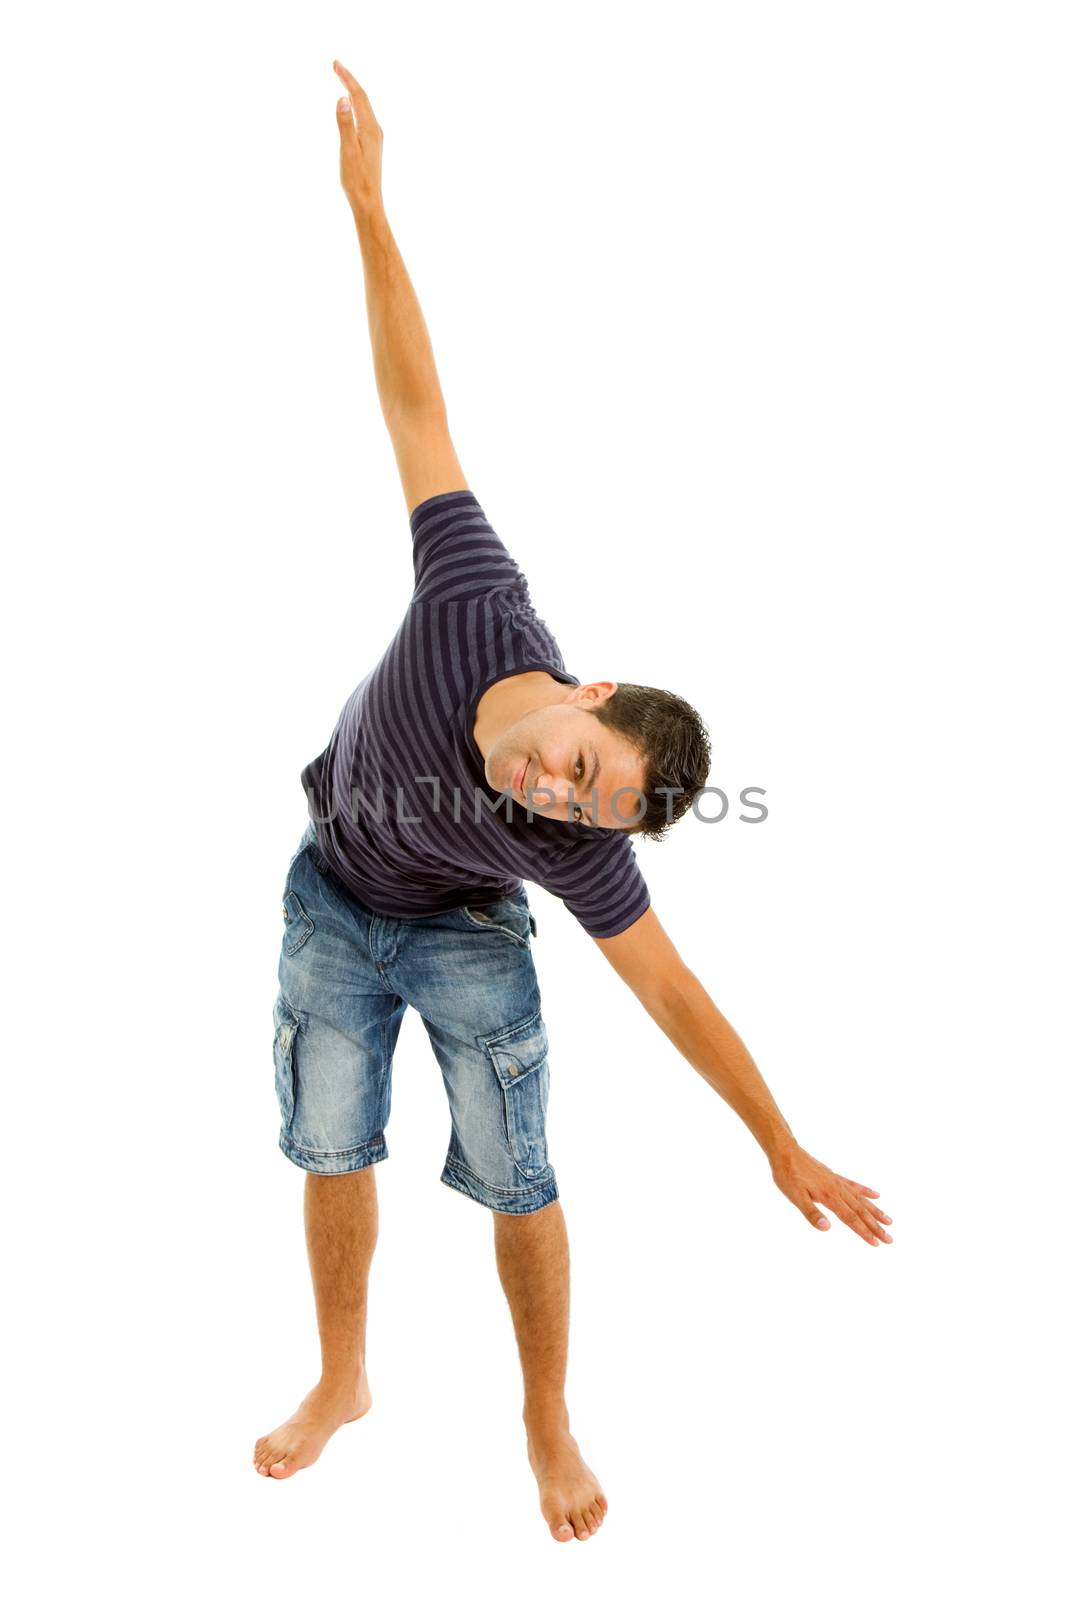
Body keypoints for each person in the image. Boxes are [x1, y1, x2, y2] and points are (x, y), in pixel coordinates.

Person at [253, 60, 893, 1540]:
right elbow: (415, 395)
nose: (551, 791)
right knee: (328, 1143)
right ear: (588, 693)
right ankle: (342, 1380)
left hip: (463, 928)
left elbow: (674, 993)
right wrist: (369, 208)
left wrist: (777, 1140)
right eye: (575, 768)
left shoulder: (559, 847)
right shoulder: (479, 593)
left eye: (579, 810)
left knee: (517, 1172)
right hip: (332, 897)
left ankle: (546, 1419)